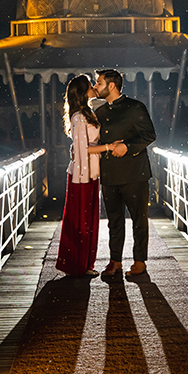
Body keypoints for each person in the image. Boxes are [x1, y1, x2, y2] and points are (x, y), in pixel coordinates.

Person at [93, 69, 157, 277]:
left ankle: (140, 261)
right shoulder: (100, 112)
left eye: (99, 83)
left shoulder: (135, 107)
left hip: (134, 173)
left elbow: (149, 135)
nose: (96, 87)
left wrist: (128, 147)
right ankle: (115, 260)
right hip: (110, 174)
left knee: (139, 219)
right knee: (114, 220)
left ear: (112, 86)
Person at [55, 75, 109, 277]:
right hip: (81, 175)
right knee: (81, 221)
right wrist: (107, 147)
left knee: (89, 220)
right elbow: (81, 150)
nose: (94, 87)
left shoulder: (88, 113)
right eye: (90, 85)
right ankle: (76, 264)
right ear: (82, 91)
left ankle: (85, 262)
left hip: (91, 173)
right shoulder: (79, 117)